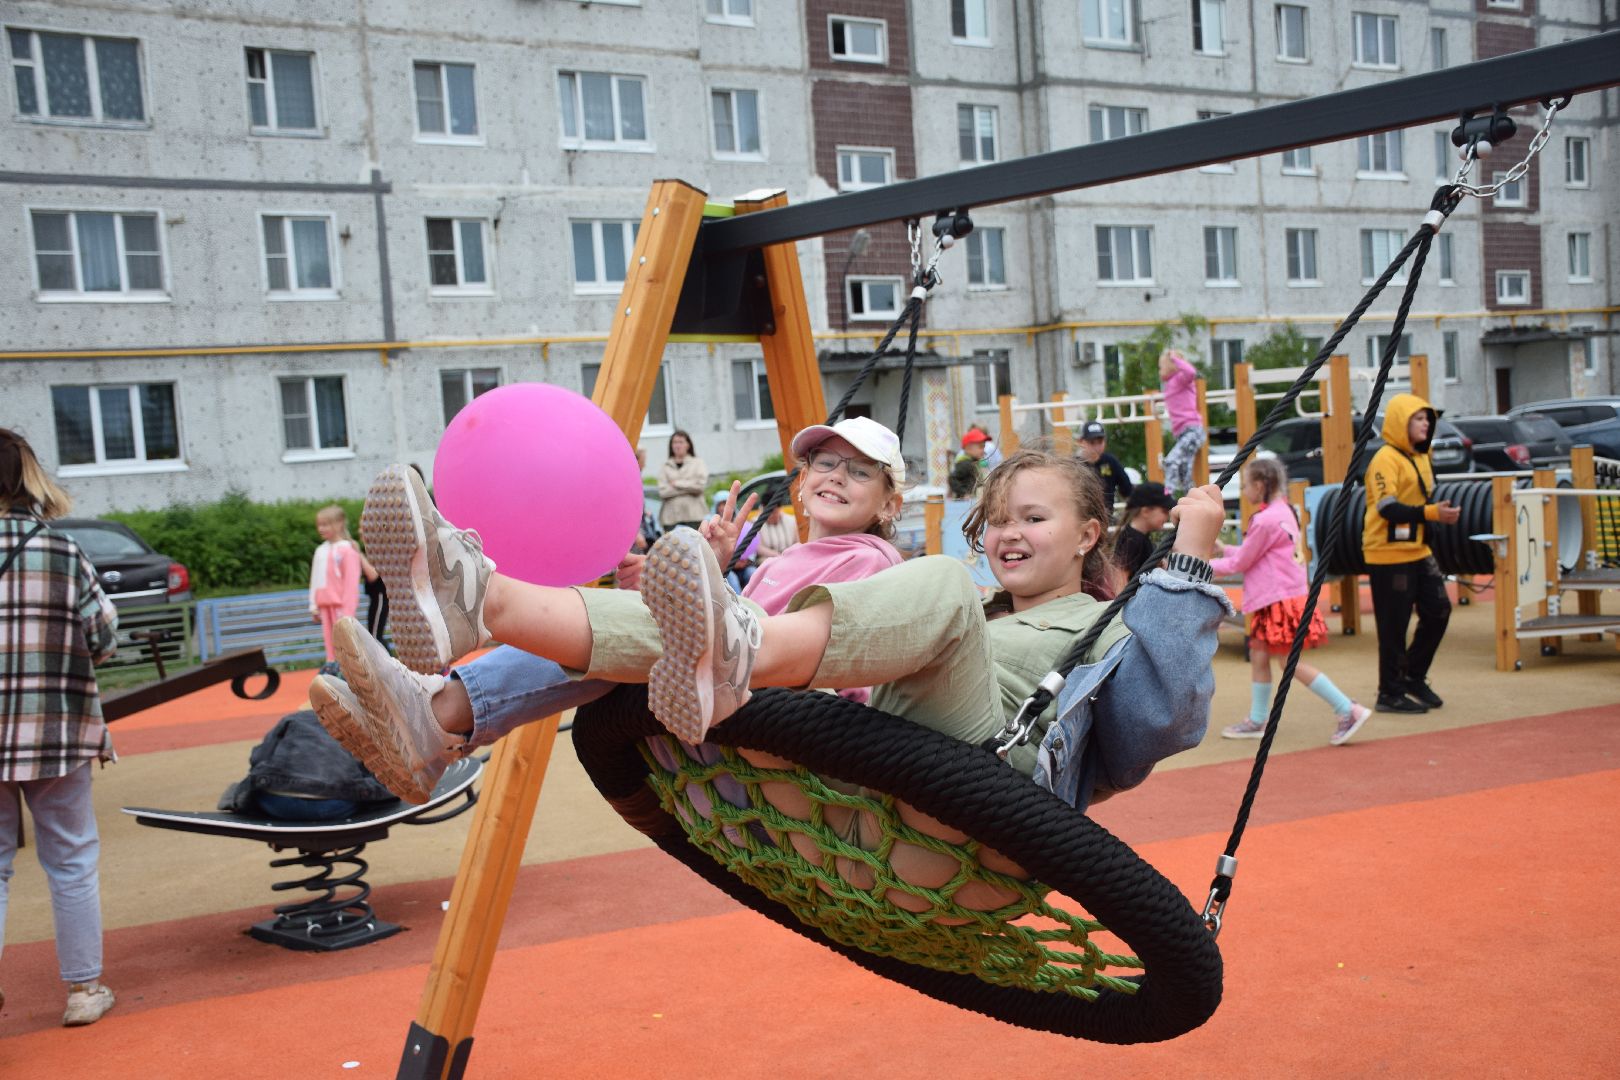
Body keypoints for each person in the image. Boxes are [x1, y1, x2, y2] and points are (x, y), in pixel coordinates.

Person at [326, 438, 1231, 813]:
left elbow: (1168, 718)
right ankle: (472, 617)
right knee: (684, 624)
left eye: (1034, 518)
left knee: (934, 592)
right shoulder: (969, 603)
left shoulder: (1107, 627)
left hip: (988, 777)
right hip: (879, 743)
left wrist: (1187, 560)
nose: (1007, 533)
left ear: (1089, 536)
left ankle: (735, 650)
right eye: (999, 517)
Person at [310, 416, 911, 803]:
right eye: (825, 465)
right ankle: (436, 716)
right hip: (739, 724)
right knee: (634, 615)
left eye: (860, 472)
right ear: (801, 484)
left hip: (790, 748)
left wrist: (696, 597)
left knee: (637, 625)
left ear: (888, 503)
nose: (837, 477)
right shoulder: (797, 559)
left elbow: (775, 653)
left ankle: (462, 641)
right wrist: (705, 574)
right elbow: (745, 635)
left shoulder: (870, 561)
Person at [0, 428, 119, 1026]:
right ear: (28, 480)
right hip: (58, 732)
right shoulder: (63, 553)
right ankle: (83, 991)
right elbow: (102, 639)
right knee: (70, 861)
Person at [1212, 459, 1372, 745]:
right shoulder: (1283, 512)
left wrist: (1203, 564)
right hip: (1281, 597)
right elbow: (1256, 553)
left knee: (1290, 662)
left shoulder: (1264, 520)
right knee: (1261, 656)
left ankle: (1347, 708)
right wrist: (1225, 548)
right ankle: (1258, 719)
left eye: (1247, 484)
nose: (1245, 490)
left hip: (1277, 599)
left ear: (1260, 486)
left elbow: (1243, 561)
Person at [1362, 394, 1459, 714]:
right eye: (1419, 419)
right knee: (1394, 625)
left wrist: (1433, 516)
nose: (1426, 424)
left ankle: (1412, 677)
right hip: (1388, 554)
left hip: (1417, 549)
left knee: (1439, 610)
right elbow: (1387, 507)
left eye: (1428, 419)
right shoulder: (1385, 459)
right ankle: (1388, 692)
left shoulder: (1420, 456)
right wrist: (1433, 514)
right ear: (1401, 423)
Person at [309, 504, 362, 663]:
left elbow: (351, 584)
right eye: (319, 525)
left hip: (341, 607)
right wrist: (313, 606)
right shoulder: (320, 550)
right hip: (324, 605)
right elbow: (315, 579)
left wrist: (347, 612)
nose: (321, 528)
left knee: (345, 644)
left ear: (339, 523)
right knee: (330, 645)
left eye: (325, 524)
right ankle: (333, 668)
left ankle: (351, 672)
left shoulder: (347, 550)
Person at [1158, 349, 1204, 496]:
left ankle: (1168, 494)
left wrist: (1175, 359)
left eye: (1161, 367)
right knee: (1184, 470)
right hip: (1182, 434)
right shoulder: (1169, 385)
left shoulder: (1181, 379)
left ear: (1171, 366)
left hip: (1192, 430)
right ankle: (1191, 497)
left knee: (1171, 461)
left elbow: (1191, 372)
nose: (1160, 371)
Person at [1112, 482, 1176, 580]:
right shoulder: (1132, 540)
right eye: (1164, 511)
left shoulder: (1140, 537)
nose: (1167, 516)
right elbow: (1119, 579)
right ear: (1146, 511)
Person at [1075, 420, 1135, 509]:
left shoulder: (1111, 462)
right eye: (1091, 442)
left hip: (1106, 518)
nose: (1096, 447)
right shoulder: (1074, 465)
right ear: (1081, 442)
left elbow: (1127, 490)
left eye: (1100, 442)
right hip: (1081, 518)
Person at [657, 430, 708, 532]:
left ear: (688, 445)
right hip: (671, 519)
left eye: (681, 442)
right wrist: (689, 487)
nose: (677, 445)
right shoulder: (665, 466)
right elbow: (663, 492)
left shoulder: (698, 463)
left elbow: (700, 487)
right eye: (675, 442)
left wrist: (676, 484)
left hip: (694, 517)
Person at [949, 428, 991, 498]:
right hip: (965, 503)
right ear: (968, 448)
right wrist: (964, 493)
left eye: (984, 447)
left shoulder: (974, 463)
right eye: (981, 447)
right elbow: (952, 479)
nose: (983, 451)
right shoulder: (965, 463)